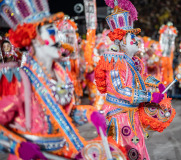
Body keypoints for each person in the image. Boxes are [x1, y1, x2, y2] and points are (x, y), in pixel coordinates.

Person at [0, 0, 107, 159]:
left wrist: (90, 114)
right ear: (34, 37)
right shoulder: (16, 79)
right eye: (51, 30)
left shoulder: (61, 74)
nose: (59, 37)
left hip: (63, 152)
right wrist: (17, 146)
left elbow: (65, 116)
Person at [95, 0, 175, 159]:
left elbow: (141, 80)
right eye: (131, 37)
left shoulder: (131, 60)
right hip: (119, 117)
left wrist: (157, 84)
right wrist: (150, 96)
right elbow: (121, 90)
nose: (135, 40)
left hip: (130, 115)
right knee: (122, 152)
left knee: (135, 151)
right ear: (120, 41)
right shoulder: (115, 60)